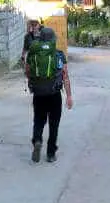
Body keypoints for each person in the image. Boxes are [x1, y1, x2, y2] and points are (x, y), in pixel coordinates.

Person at [23, 19, 73, 163]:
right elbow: (65, 76)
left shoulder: (33, 54)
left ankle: (37, 140)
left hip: (39, 93)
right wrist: (69, 96)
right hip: (54, 93)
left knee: (38, 120)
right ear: (53, 40)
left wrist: (33, 81)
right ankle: (51, 153)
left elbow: (27, 72)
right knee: (54, 123)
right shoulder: (58, 55)